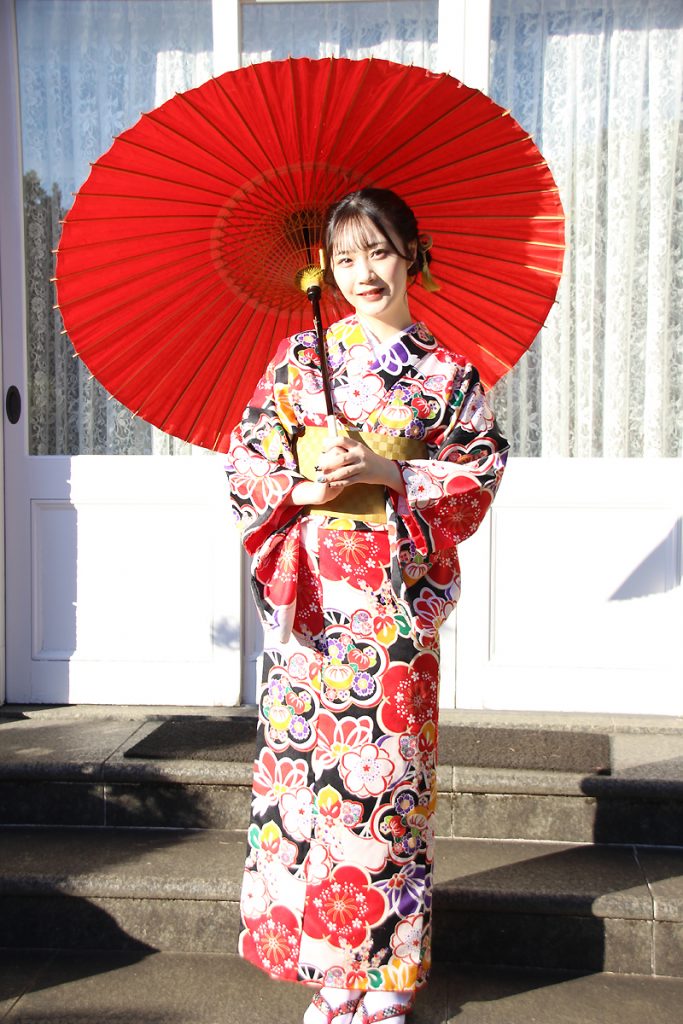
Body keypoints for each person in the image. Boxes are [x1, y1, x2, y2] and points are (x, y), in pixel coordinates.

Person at [226, 188, 509, 1024]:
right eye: (344, 258)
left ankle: (385, 977)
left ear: (411, 253)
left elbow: (477, 470)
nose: (361, 273)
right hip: (312, 599)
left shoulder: (446, 375)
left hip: (389, 602)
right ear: (326, 268)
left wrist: (387, 473)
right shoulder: (298, 360)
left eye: (378, 252)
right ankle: (330, 971)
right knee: (310, 784)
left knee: (383, 784)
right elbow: (247, 462)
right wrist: (303, 483)